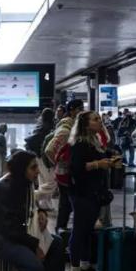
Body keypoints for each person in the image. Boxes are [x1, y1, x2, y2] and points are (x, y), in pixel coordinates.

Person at [68, 111, 118, 271]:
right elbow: (76, 168)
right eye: (95, 119)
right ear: (86, 124)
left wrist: (107, 160)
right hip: (82, 193)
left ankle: (85, 264)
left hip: (93, 192)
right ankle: (74, 270)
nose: (100, 121)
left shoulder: (94, 140)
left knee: (88, 229)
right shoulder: (80, 143)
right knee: (80, 230)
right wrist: (99, 164)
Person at [44, 99, 84, 233]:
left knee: (67, 204)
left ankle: (61, 230)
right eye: (80, 108)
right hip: (65, 174)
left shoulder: (72, 126)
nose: (82, 111)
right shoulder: (66, 129)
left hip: (67, 173)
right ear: (72, 110)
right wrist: (58, 164)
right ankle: (60, 231)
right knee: (66, 204)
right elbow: (49, 150)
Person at [26, 109, 55, 210]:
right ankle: (34, 196)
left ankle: (44, 204)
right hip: (43, 159)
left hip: (37, 158)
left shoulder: (39, 128)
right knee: (52, 182)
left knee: (43, 181)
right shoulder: (48, 129)